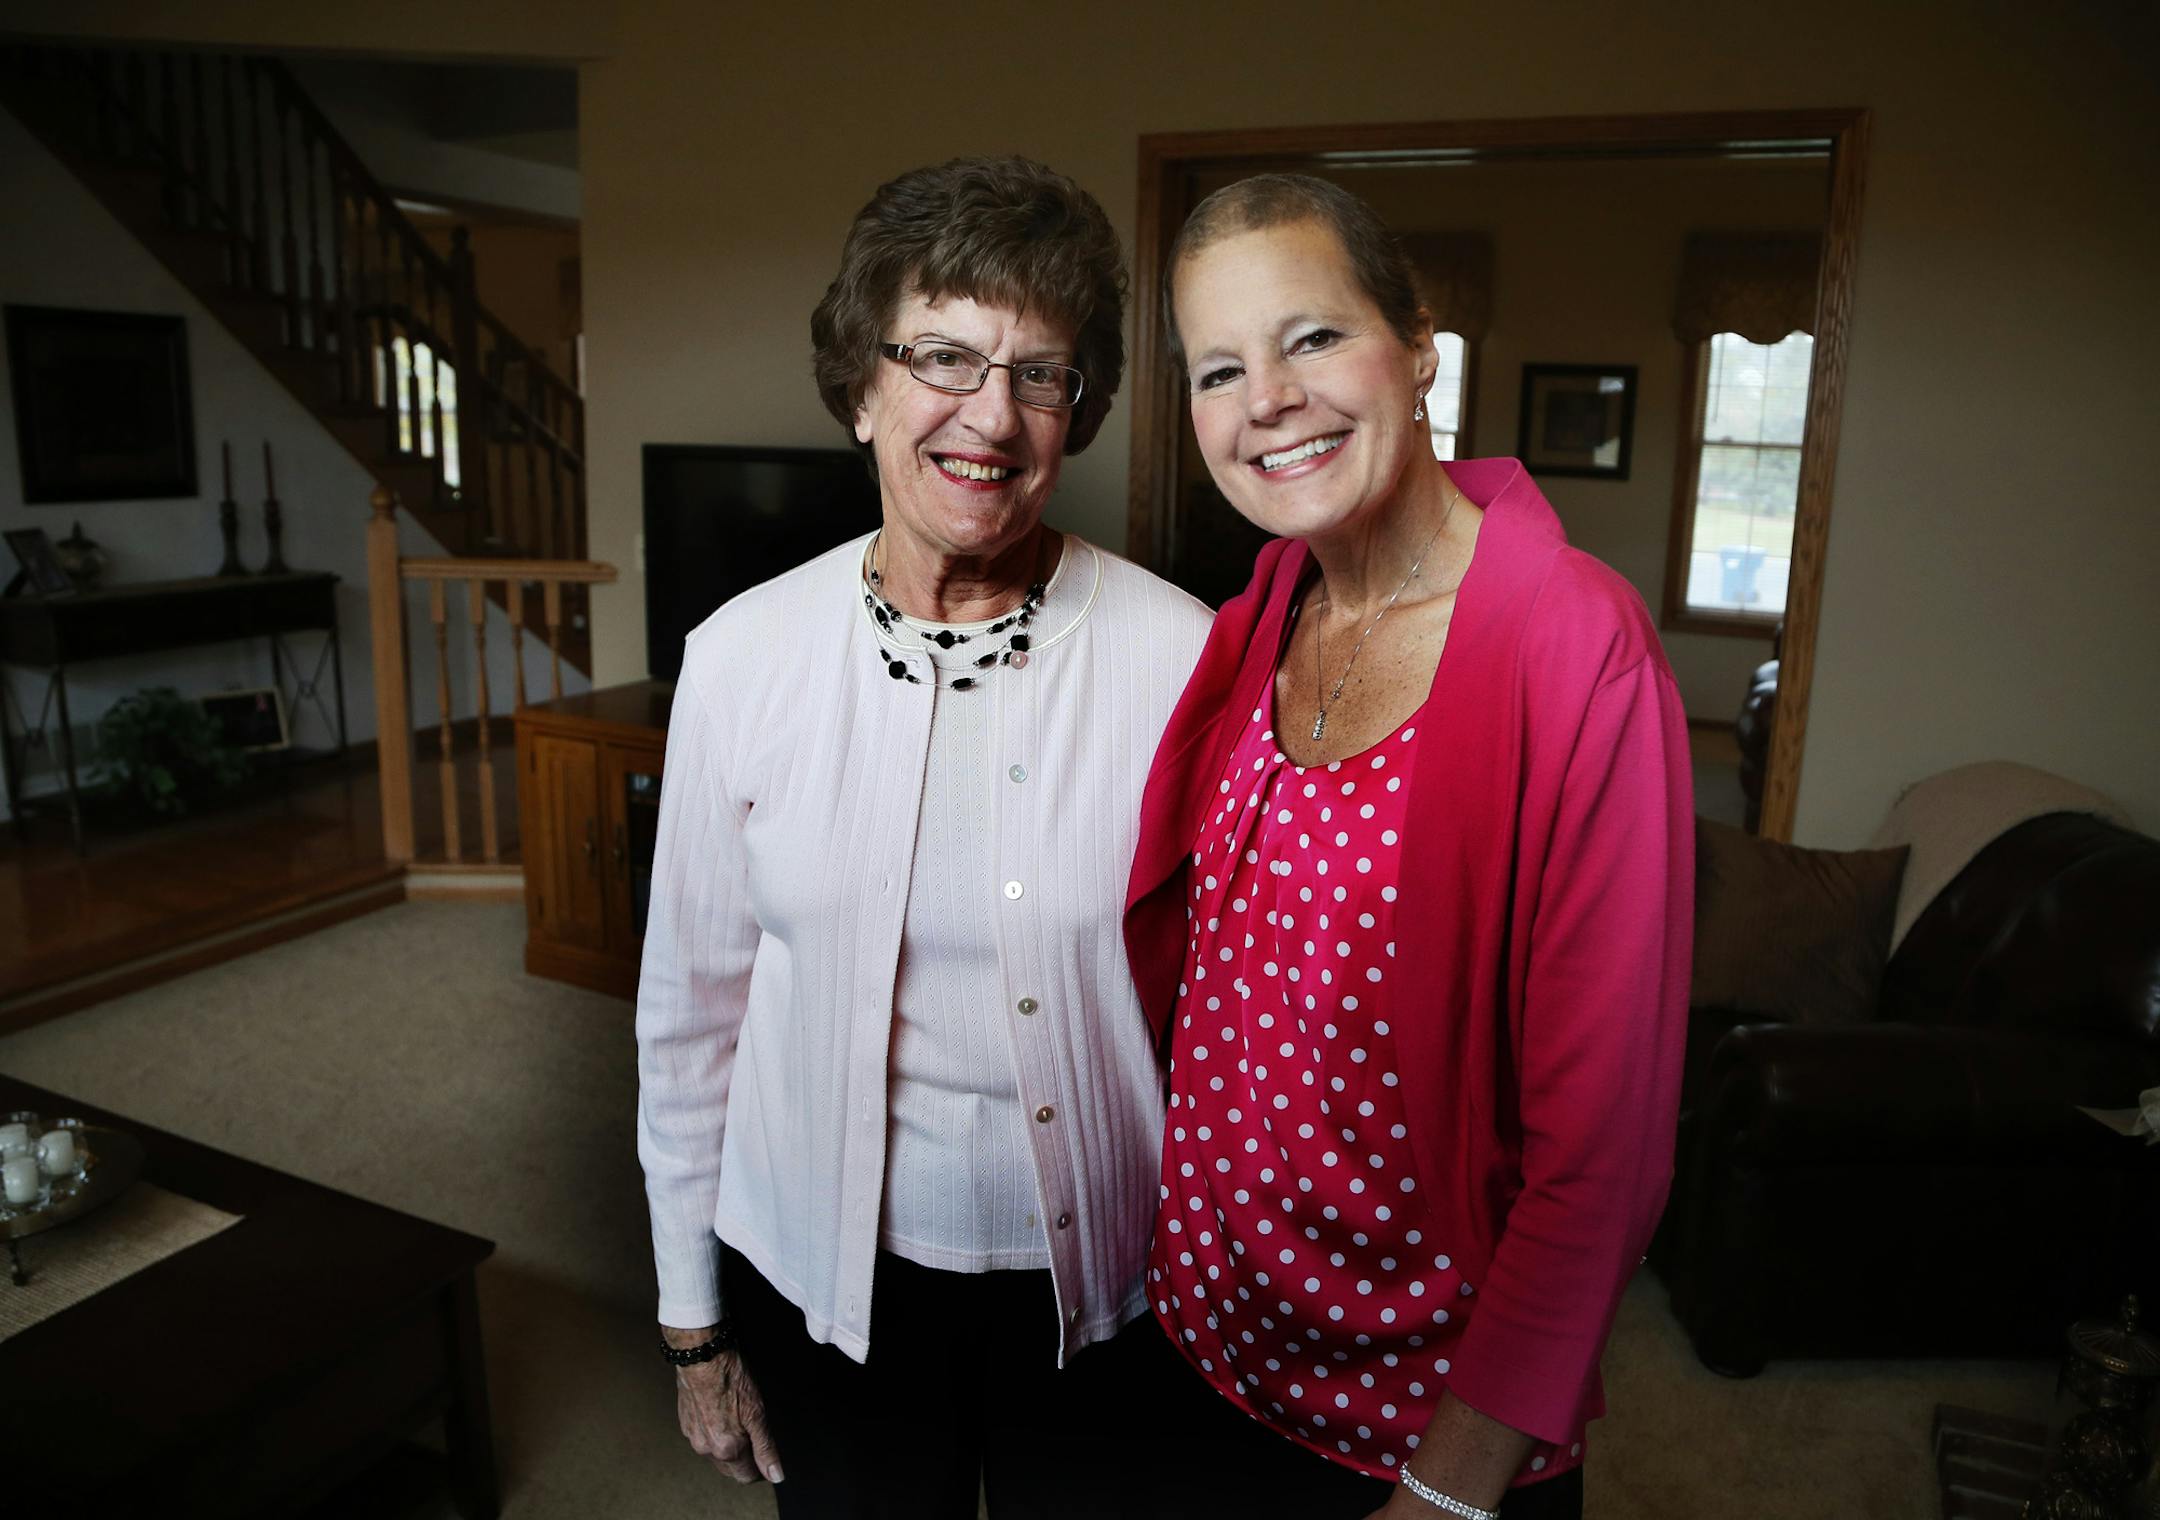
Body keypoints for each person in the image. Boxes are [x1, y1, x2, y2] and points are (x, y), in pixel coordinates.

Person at [634, 155, 1212, 1518]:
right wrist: (693, 1329)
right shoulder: (741, 661)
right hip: (834, 1291)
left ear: (1080, 410)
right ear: (861, 385)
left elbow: (1238, 1019)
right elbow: (690, 1019)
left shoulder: (1184, 660)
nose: (990, 416)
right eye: (943, 357)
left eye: (1041, 373)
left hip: (1110, 1296)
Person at [1124, 174, 1692, 1520]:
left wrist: (1451, 1488)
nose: (1266, 395)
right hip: (1203, 1356)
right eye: (1220, 367)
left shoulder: (1574, 644)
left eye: (1311, 336)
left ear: (1421, 350)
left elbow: (1602, 1142)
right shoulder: (1263, 608)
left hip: (1408, 1427)